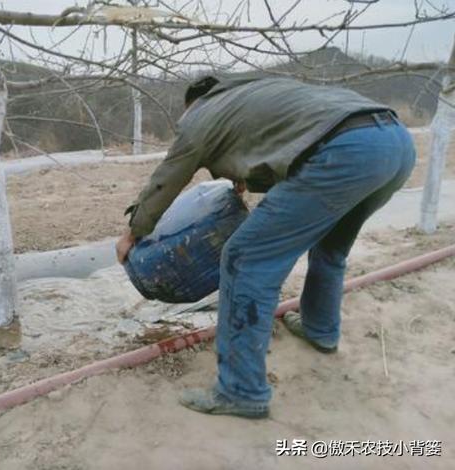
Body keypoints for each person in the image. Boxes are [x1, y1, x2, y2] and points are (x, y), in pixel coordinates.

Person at [115, 75, 416, 419]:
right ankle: (321, 330)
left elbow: (168, 176)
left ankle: (241, 391)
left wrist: (133, 232)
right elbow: (287, 144)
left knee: (245, 259)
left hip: (345, 152)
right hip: (394, 143)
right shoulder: (255, 90)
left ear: (194, 103)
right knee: (331, 247)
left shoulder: (200, 114)